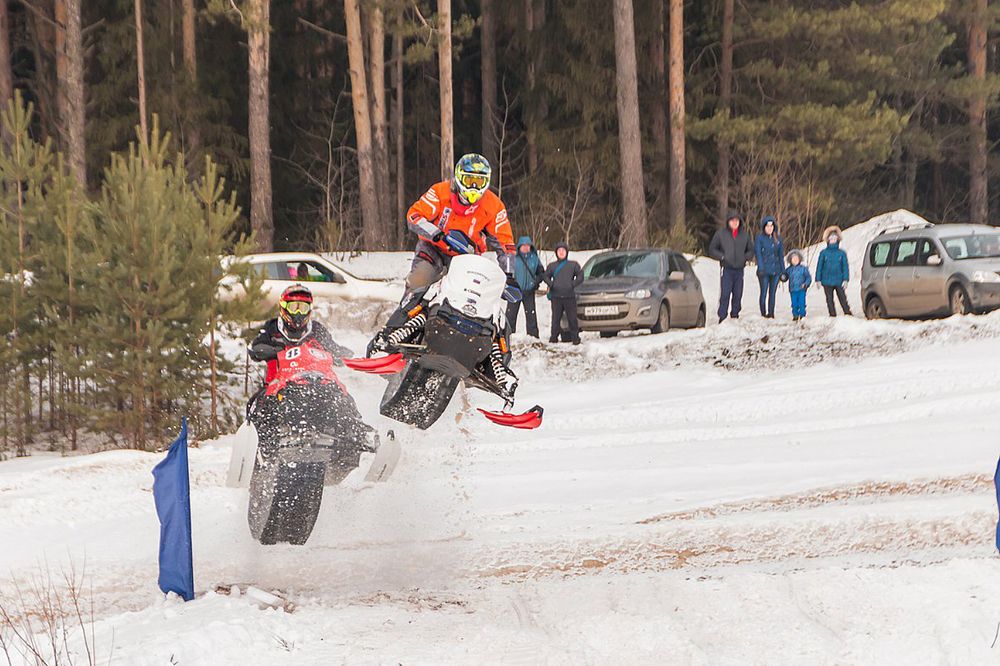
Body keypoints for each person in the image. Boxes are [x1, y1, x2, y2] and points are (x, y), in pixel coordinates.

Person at [369, 153, 517, 353]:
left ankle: (477, 347)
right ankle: (390, 334)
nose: (473, 187)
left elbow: (505, 241)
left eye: (479, 182)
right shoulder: (440, 192)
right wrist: (438, 234)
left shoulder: (493, 205)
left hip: (466, 260)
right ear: (458, 177)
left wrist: (508, 273)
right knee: (419, 282)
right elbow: (414, 216)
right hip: (433, 249)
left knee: (474, 299)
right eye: (469, 180)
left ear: (487, 182)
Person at [247, 284, 359, 451]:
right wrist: (270, 350)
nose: (298, 313)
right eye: (294, 307)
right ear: (283, 308)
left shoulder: (317, 330)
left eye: (303, 307)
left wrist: (342, 354)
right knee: (255, 404)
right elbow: (256, 347)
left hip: (317, 380)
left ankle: (356, 436)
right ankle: (257, 446)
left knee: (344, 397)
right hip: (279, 382)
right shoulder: (272, 328)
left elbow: (332, 347)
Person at [709, 211, 754, 323]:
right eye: (732, 220)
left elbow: (751, 250)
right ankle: (722, 316)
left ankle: (735, 314)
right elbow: (712, 249)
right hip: (727, 268)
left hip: (739, 269)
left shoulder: (744, 235)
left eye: (737, 221)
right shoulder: (721, 234)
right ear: (728, 222)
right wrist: (722, 257)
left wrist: (745, 257)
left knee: (738, 293)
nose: (735, 223)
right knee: (725, 293)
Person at [543, 242, 583, 345]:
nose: (561, 252)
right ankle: (553, 338)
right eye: (559, 251)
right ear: (556, 253)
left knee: (572, 319)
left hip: (569, 296)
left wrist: (572, 284)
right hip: (556, 297)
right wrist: (551, 284)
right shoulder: (552, 266)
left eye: (563, 250)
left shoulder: (573, 264)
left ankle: (575, 338)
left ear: (567, 252)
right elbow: (545, 276)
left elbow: (580, 276)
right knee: (555, 319)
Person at [507, 236, 544, 338]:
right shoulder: (513, 258)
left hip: (529, 291)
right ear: (519, 247)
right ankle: (507, 336)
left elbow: (541, 273)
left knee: (531, 315)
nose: (526, 248)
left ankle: (533, 336)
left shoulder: (535, 258)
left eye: (528, 246)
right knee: (510, 315)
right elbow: (507, 274)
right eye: (524, 246)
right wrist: (511, 284)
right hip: (515, 291)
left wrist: (536, 282)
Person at [815, 225, 852, 317]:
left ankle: (848, 314)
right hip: (826, 281)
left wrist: (846, 279)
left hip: (838, 280)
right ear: (827, 239)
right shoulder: (823, 253)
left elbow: (845, 267)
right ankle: (832, 315)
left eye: (834, 238)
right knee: (829, 299)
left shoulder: (842, 253)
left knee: (842, 298)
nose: (833, 240)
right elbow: (819, 266)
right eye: (831, 238)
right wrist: (818, 279)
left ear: (838, 239)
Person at [754, 215, 785, 318]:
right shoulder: (759, 238)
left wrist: (783, 271)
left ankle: (771, 313)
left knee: (773, 293)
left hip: (776, 270)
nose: (769, 228)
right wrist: (761, 268)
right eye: (767, 226)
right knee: (763, 292)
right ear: (764, 227)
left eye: (771, 226)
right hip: (764, 271)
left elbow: (781, 256)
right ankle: (763, 313)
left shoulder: (778, 239)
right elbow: (758, 254)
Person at [783, 250, 812, 322]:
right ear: (790, 260)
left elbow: (808, 277)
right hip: (793, 289)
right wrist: (783, 277)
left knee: (802, 302)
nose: (795, 260)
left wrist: (806, 284)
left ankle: (802, 314)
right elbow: (785, 276)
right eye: (793, 259)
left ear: (799, 259)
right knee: (794, 303)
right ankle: (795, 315)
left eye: (796, 259)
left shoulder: (803, 268)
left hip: (801, 289)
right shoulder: (789, 270)